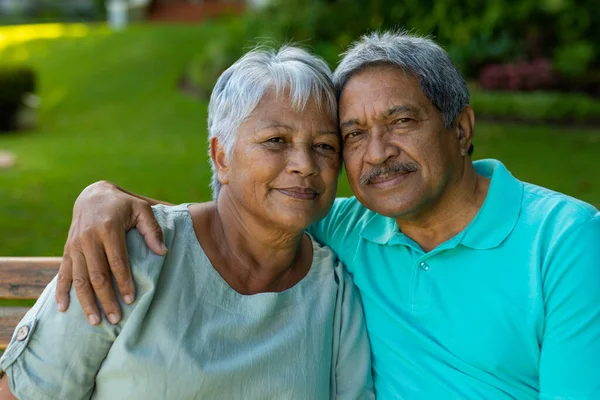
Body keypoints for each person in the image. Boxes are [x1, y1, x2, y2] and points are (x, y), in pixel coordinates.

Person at [10, 30, 600, 399]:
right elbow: (236, 214)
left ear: (461, 129)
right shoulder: (350, 229)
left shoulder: (564, 239)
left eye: (401, 122)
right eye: (354, 134)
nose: (377, 153)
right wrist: (101, 197)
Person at [0, 46, 374, 400]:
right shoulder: (128, 253)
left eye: (325, 146)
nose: (305, 164)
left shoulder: (335, 291)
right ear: (222, 157)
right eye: (276, 140)